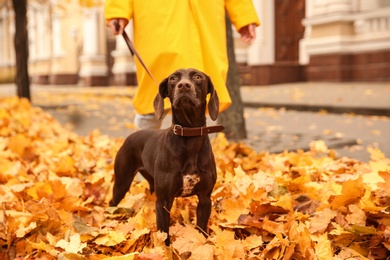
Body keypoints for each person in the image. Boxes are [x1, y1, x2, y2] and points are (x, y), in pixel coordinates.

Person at [104, 0, 260, 129]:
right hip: (159, 18)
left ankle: (195, 156)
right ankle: (144, 151)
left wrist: (244, 17)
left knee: (199, 91)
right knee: (153, 91)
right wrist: (118, 10)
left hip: (204, 19)